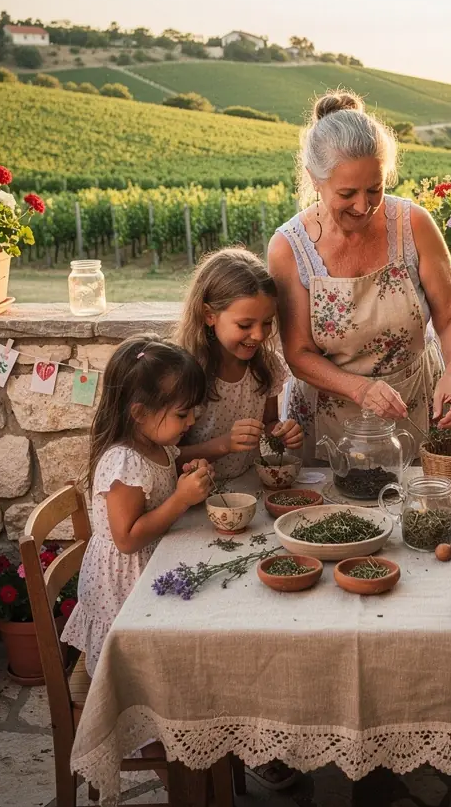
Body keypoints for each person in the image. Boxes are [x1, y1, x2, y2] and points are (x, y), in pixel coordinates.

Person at [269, 89, 451, 462]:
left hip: (415, 403)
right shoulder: (289, 248)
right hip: (327, 419)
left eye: (375, 189)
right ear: (315, 179)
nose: (363, 205)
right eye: (347, 193)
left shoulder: (413, 225)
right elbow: (298, 354)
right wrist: (360, 389)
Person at [61, 335, 213, 675]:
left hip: (151, 566)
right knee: (139, 667)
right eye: (183, 413)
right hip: (123, 587)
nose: (191, 422)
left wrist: (188, 475)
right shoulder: (124, 463)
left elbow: (159, 489)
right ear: (140, 413)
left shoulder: (157, 446)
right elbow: (127, 539)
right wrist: (180, 499)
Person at [176, 247, 303, 480]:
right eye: (245, 325)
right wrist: (224, 445)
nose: (258, 335)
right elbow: (166, 457)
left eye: (266, 322)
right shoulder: (184, 373)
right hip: (195, 496)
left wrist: (281, 432)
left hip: (247, 486)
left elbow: (269, 422)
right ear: (209, 315)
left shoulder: (266, 365)